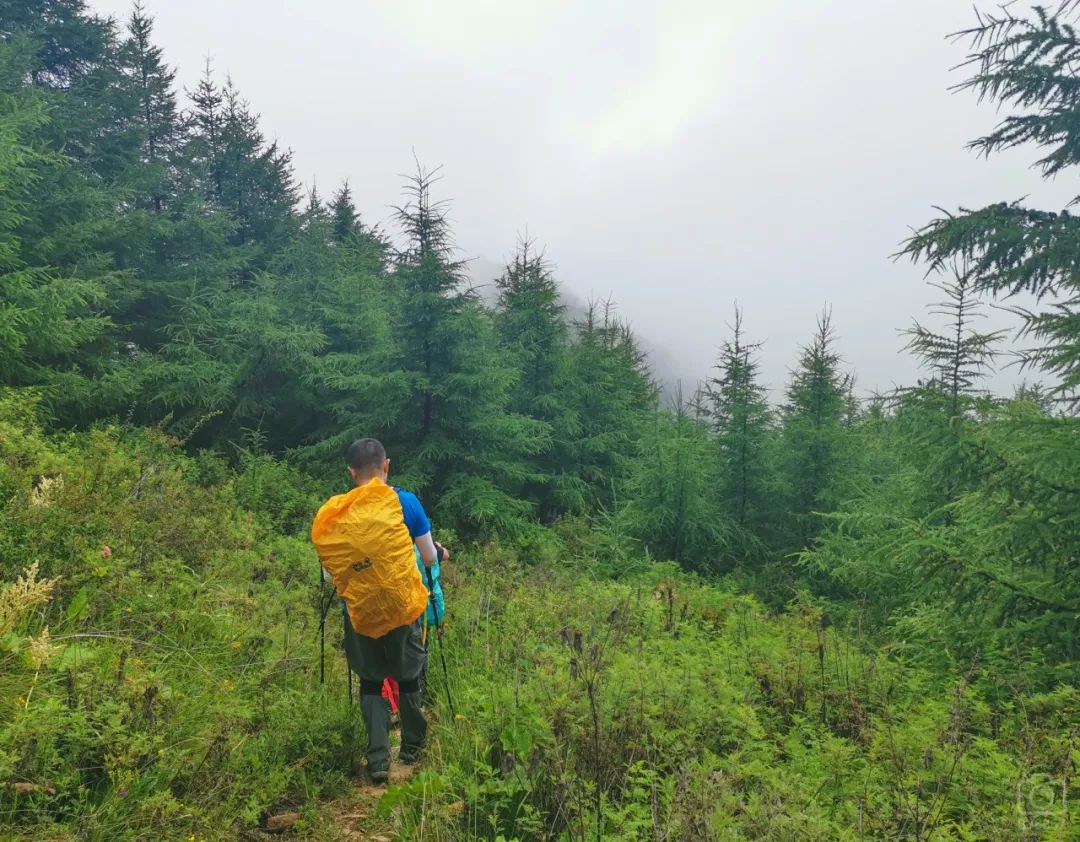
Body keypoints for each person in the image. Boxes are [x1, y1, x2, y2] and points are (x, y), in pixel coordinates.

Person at [311, 438, 449, 784]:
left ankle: (377, 761)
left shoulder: (339, 513)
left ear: (351, 472)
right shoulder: (405, 501)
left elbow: (330, 575)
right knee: (409, 675)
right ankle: (412, 748)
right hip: (403, 606)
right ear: (386, 466)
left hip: (360, 612)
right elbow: (430, 558)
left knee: (371, 681)